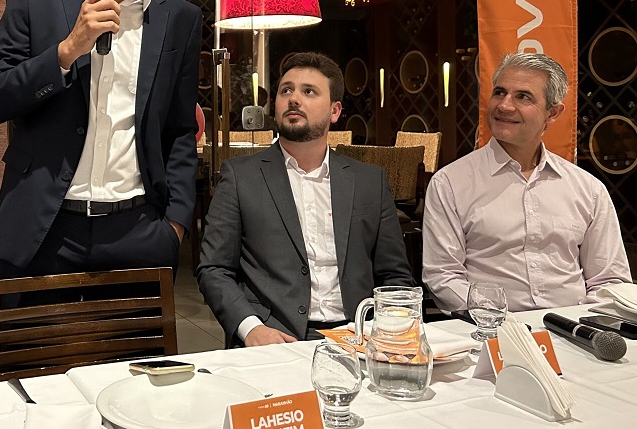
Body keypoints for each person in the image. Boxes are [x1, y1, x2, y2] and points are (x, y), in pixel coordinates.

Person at [0, 0, 201, 281]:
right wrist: (66, 50)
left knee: (138, 351)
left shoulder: (181, 17)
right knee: (36, 349)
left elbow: (179, 131)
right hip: (45, 229)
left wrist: (175, 226)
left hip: (138, 230)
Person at [198, 52, 415, 345]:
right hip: (274, 336)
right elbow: (214, 269)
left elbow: (395, 275)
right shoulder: (241, 177)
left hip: (358, 337)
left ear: (335, 111)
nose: (294, 99)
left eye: (308, 91)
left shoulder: (369, 181)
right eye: (286, 90)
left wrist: (387, 329)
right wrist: (251, 329)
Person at [422, 52, 632, 312]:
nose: (504, 106)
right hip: (492, 332)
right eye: (499, 92)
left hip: (577, 330)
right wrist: (502, 320)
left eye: (523, 96)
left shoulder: (588, 189)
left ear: (552, 113)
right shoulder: (450, 183)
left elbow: (609, 279)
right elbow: (443, 276)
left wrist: (580, 321)